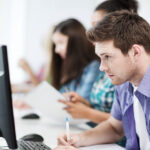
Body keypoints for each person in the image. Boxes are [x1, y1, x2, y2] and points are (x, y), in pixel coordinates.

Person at [54, 10, 150, 150]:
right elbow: (114, 127)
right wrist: (77, 139)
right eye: (100, 58)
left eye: (107, 57)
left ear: (135, 52)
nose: (101, 67)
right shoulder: (123, 84)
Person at [59, 0, 138, 125]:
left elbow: (128, 123)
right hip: (100, 136)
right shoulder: (105, 66)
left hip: (117, 143)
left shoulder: (126, 71)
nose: (91, 32)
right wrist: (83, 103)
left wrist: (87, 113)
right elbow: (105, 108)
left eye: (97, 25)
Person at [51, 18, 100, 100]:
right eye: (55, 44)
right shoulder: (72, 67)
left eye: (60, 43)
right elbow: (60, 97)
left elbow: (81, 101)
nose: (56, 50)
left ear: (76, 42)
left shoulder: (94, 66)